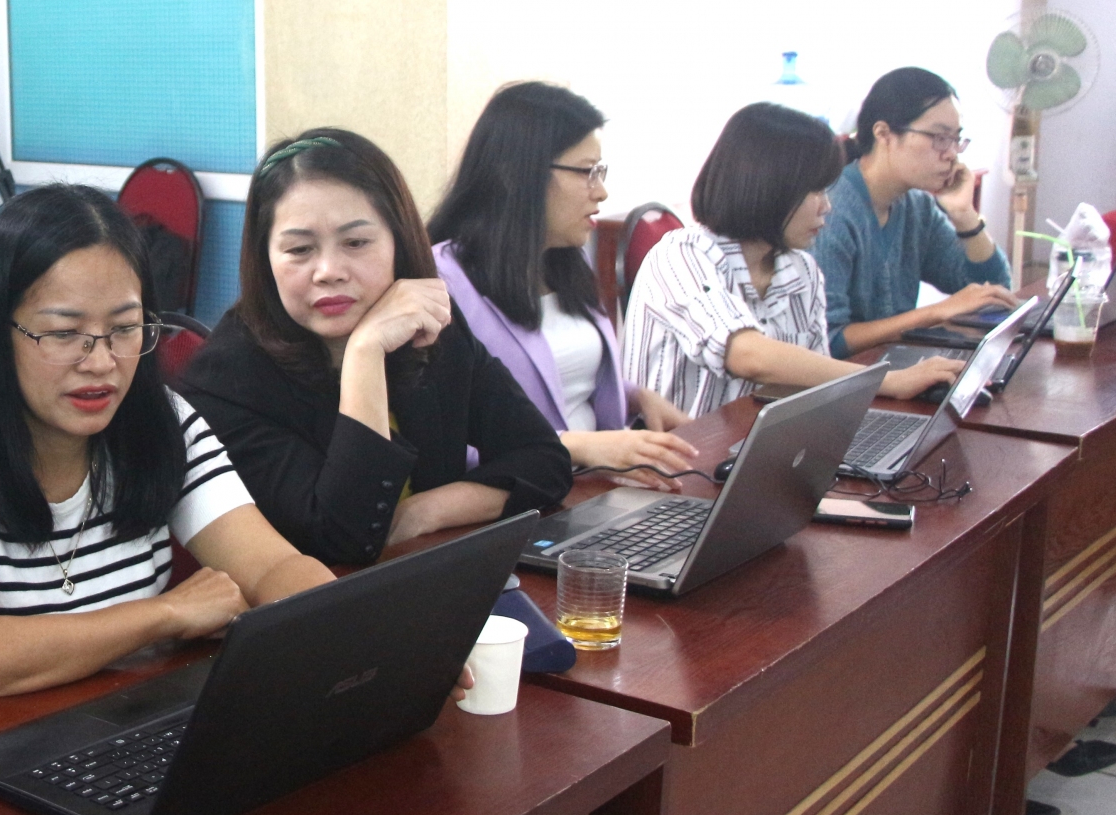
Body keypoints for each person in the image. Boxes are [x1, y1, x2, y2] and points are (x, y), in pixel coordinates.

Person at [0, 184, 334, 730]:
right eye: (65, 333)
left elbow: (274, 565)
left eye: (125, 328)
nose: (102, 362)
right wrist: (166, 615)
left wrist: (357, 640)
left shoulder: (163, 420)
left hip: (112, 735)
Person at [177, 129, 573, 568]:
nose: (329, 271)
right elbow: (345, 539)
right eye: (299, 249)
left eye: (356, 242)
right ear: (265, 260)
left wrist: (427, 510)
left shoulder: (433, 329)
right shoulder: (225, 383)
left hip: (428, 585)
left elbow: (544, 459)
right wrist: (364, 354)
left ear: (399, 243)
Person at [425, 81, 698, 485]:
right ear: (518, 173)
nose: (601, 191)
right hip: (521, 504)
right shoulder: (443, 281)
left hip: (594, 485)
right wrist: (581, 446)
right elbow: (443, 442)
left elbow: (567, 377)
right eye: (587, 172)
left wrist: (636, 397)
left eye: (600, 172)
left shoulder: (565, 262)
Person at [622, 103, 966, 418]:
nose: (826, 207)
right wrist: (888, 381)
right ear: (769, 187)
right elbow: (748, 356)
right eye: (815, 192)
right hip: (671, 468)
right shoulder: (681, 255)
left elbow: (817, 385)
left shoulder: (802, 271)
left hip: (752, 456)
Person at [812, 67, 1019, 355]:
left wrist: (964, 215)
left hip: (892, 374)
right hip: (843, 385)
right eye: (939, 137)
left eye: (956, 139)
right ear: (884, 133)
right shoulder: (832, 211)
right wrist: (936, 312)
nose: (952, 153)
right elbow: (828, 340)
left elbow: (994, 294)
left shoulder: (916, 205)